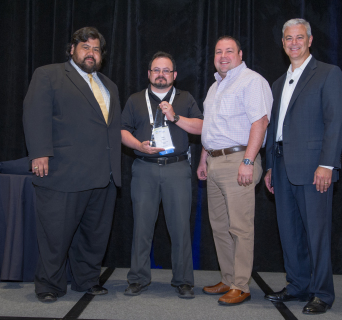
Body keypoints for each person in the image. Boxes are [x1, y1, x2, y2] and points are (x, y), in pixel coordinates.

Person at [23, 27, 121, 302]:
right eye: (85, 47)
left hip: (104, 174)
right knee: (55, 234)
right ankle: (49, 285)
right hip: (63, 171)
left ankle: (87, 280)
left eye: (96, 49)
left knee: (94, 235)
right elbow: (34, 114)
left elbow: (109, 129)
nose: (91, 53)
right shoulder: (49, 75)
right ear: (72, 50)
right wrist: (39, 152)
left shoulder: (109, 85)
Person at [264, 18, 342, 315]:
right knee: (289, 233)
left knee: (316, 234)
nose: (294, 42)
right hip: (282, 166)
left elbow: (334, 122)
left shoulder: (328, 73)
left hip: (314, 169)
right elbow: (274, 129)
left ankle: (322, 293)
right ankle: (298, 285)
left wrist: (327, 164)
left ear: (310, 40)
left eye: (300, 37)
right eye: (289, 38)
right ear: (283, 43)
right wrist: (270, 167)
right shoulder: (277, 82)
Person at [197, 36, 272, 306]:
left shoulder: (252, 81)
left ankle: (241, 285)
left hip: (239, 160)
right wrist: (204, 158)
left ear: (240, 54)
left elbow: (260, 122)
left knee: (240, 227)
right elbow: (211, 128)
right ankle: (228, 278)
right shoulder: (215, 87)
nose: (223, 55)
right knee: (219, 227)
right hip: (215, 161)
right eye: (218, 51)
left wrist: (249, 162)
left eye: (229, 51)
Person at [121, 51, 203, 299]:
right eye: (156, 70)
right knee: (142, 227)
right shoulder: (135, 100)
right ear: (149, 74)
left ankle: (183, 280)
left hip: (177, 168)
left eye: (166, 70)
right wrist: (138, 145)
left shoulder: (185, 98)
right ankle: (138, 278)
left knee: (179, 227)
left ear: (174, 75)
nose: (161, 74)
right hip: (144, 167)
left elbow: (201, 126)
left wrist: (175, 117)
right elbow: (121, 130)